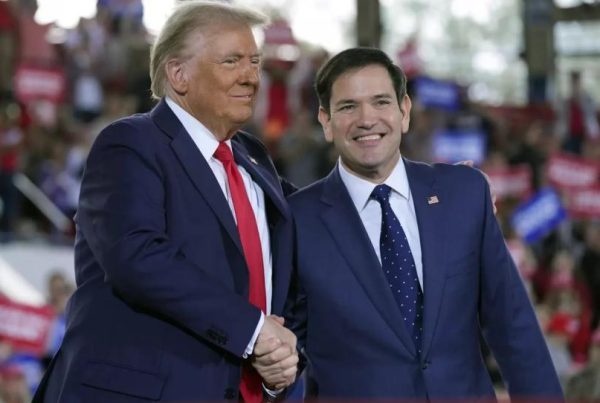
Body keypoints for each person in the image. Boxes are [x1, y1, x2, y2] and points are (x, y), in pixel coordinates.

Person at [33, 2, 298, 402]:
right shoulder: (131, 143)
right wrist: (254, 331)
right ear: (178, 74)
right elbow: (137, 256)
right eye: (232, 61)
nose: (250, 77)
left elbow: (300, 255)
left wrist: (280, 361)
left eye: (255, 62)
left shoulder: (254, 159)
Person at [283, 47, 563, 399]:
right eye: (348, 106)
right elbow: (284, 353)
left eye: (381, 102)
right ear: (325, 121)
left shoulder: (464, 194)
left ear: (404, 111)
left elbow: (513, 325)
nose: (367, 119)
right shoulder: (296, 220)